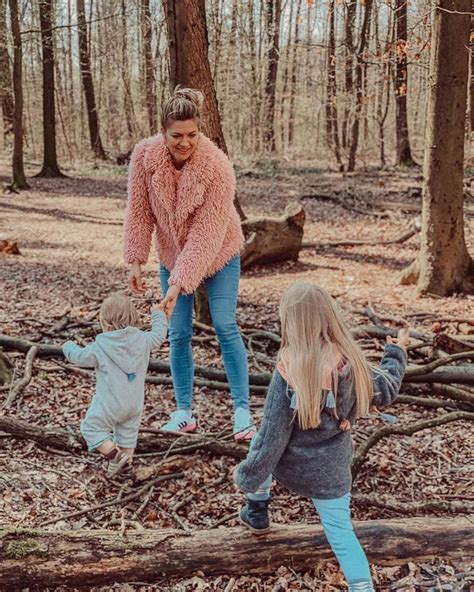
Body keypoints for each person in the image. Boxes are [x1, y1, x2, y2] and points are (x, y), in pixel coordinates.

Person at [234, 283, 409, 592]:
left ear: (290, 321)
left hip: (292, 466)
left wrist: (249, 477)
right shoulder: (350, 361)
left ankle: (257, 511)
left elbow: (272, 436)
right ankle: (362, 587)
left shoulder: (289, 367)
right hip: (331, 471)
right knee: (342, 533)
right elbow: (388, 387)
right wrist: (396, 352)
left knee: (257, 444)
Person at [124, 86, 254, 440]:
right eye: (176, 135)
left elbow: (207, 234)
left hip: (220, 252)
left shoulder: (218, 167)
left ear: (201, 130)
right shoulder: (144, 158)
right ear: (163, 132)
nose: (185, 142)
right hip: (172, 254)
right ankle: (183, 412)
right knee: (177, 333)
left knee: (225, 325)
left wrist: (179, 284)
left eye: (192, 135)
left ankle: (242, 412)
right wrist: (136, 259)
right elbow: (139, 211)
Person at [63, 293, 168, 475]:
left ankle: (116, 457)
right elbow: (159, 335)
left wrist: (68, 347)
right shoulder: (143, 340)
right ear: (133, 318)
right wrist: (158, 314)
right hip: (134, 405)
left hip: (110, 403)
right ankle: (123, 470)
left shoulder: (100, 347)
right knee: (127, 436)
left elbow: (79, 357)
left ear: (105, 322)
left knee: (90, 428)